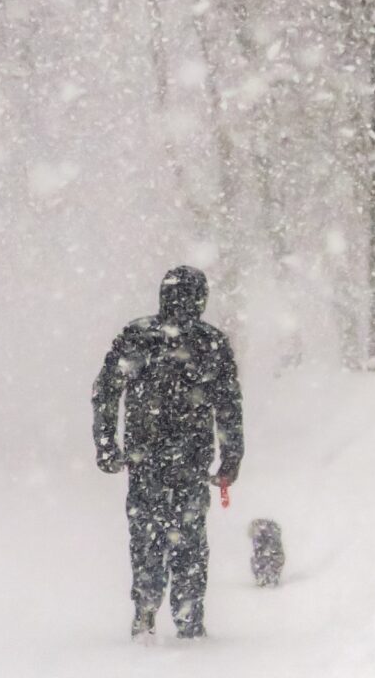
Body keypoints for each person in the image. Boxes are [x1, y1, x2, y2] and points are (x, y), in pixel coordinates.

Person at [92, 265, 244, 640]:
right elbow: (228, 407)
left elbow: (106, 391)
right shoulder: (211, 343)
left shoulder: (137, 336)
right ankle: (188, 619)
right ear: (201, 299)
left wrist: (108, 444)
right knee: (189, 540)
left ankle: (146, 609)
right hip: (191, 460)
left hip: (145, 459)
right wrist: (230, 459)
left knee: (147, 536)